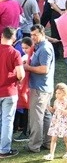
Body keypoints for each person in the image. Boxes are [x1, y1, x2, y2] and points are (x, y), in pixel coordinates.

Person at [24, 24, 55, 154]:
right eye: (31, 35)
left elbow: (44, 69)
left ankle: (34, 145)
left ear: (42, 33)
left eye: (35, 34)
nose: (33, 37)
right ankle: (47, 143)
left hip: (39, 88)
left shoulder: (44, 49)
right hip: (45, 87)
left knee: (36, 117)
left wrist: (28, 68)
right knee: (46, 116)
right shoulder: (44, 46)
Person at [0, 27, 24, 158]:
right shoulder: (15, 53)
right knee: (7, 121)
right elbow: (20, 74)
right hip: (9, 91)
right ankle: (4, 149)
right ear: (14, 37)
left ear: (2, 35)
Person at [43, 83, 67, 161]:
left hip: (64, 123)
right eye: (56, 93)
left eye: (59, 93)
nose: (57, 95)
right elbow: (53, 110)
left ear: (64, 93)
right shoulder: (56, 101)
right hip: (56, 122)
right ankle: (51, 154)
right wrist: (47, 106)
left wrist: (62, 110)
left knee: (66, 138)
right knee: (53, 138)